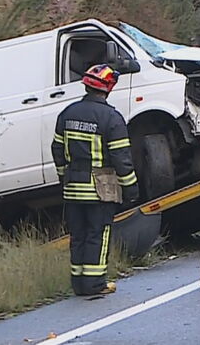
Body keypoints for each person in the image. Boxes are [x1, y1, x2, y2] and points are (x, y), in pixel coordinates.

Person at [52, 64, 139, 296]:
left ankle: (79, 282)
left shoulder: (67, 113)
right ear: (108, 88)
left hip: (72, 187)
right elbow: (122, 158)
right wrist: (130, 188)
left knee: (78, 234)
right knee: (98, 234)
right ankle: (95, 283)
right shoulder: (111, 118)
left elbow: (57, 150)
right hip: (100, 187)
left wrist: (64, 177)